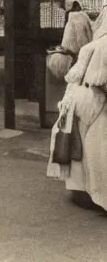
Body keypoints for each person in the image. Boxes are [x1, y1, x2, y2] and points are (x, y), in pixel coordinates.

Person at [47, 21, 107, 211]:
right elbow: (102, 82)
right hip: (94, 101)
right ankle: (94, 196)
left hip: (76, 98)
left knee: (77, 147)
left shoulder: (93, 44)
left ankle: (81, 193)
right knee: (95, 149)